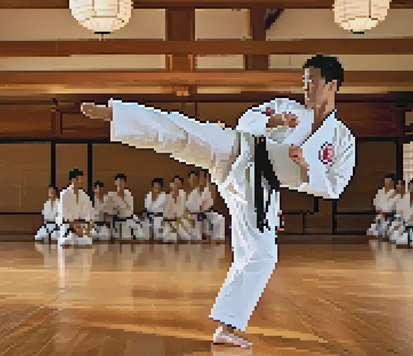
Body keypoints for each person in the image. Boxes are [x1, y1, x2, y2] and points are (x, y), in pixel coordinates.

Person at [80, 54, 356, 348]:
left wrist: (305, 170)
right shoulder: (287, 108)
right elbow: (247, 120)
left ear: (332, 84)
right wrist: (273, 121)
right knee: (185, 133)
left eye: (311, 81)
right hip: (239, 149)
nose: (305, 87)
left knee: (262, 256)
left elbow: (335, 185)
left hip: (261, 187)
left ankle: (227, 327)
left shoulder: (341, 138)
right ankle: (117, 114)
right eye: (303, 81)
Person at [57, 169, 93, 247]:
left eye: (81, 179)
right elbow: (64, 215)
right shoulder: (64, 194)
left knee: (87, 244)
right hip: (68, 227)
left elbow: (88, 215)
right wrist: (75, 227)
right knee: (67, 243)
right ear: (72, 180)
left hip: (81, 228)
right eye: (78, 179)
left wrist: (81, 228)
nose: (80, 181)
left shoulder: (84, 195)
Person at [106, 173, 144, 241]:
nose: (120, 183)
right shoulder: (111, 196)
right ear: (115, 182)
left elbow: (131, 210)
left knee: (136, 239)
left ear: (125, 183)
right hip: (118, 223)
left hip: (130, 221)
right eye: (118, 181)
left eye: (122, 181)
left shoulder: (128, 194)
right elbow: (108, 213)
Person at [199, 170, 226, 242]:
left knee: (221, 218)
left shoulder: (208, 188)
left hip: (207, 212)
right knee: (219, 218)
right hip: (201, 213)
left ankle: (218, 237)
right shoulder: (200, 190)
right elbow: (201, 204)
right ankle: (211, 236)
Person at [367, 174, 397, 238]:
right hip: (380, 216)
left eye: (389, 182)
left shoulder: (395, 193)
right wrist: (379, 209)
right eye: (386, 182)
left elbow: (391, 207)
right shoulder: (380, 192)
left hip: (390, 217)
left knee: (386, 234)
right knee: (371, 232)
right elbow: (375, 203)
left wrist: (385, 210)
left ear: (392, 183)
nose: (387, 184)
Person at [162, 176, 187, 243]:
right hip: (169, 223)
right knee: (172, 238)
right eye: (175, 183)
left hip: (180, 223)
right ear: (171, 185)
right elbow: (165, 215)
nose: (177, 186)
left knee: (186, 237)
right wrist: (172, 225)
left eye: (178, 184)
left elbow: (183, 211)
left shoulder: (181, 196)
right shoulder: (167, 197)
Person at [182, 171, 203, 242]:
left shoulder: (200, 192)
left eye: (195, 179)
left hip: (197, 216)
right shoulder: (189, 193)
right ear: (189, 180)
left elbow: (200, 207)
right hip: (189, 216)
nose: (193, 181)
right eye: (191, 179)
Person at [388, 179, 407, 244]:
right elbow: (389, 208)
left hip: (406, 220)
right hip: (397, 220)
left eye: (399, 184)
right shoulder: (396, 198)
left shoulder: (408, 197)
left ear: (404, 186)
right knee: (393, 237)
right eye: (397, 185)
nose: (397, 186)